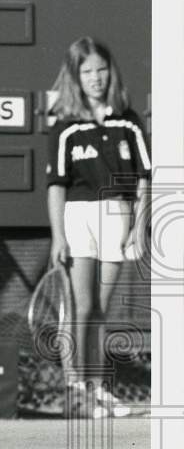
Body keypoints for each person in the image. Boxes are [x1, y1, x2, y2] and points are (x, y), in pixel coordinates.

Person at [46, 36, 151, 418]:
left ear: (112, 72)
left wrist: (140, 226)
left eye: (102, 70)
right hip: (78, 217)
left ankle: (98, 388)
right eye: (87, 72)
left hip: (117, 216)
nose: (96, 78)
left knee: (102, 310)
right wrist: (58, 236)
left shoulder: (129, 120)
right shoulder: (65, 126)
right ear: (75, 76)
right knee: (81, 306)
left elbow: (144, 178)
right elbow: (56, 187)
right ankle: (76, 389)